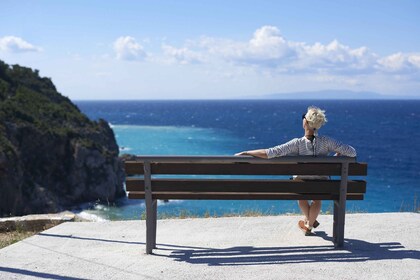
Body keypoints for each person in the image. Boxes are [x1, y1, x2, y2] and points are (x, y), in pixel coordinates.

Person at [235, 106, 356, 236]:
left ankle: (309, 222)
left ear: (305, 123)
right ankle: (309, 223)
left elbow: (271, 152)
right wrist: (336, 155)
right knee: (317, 199)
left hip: (300, 185)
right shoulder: (327, 142)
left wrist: (246, 152)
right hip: (322, 184)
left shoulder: (297, 143)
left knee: (301, 197)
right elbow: (352, 152)